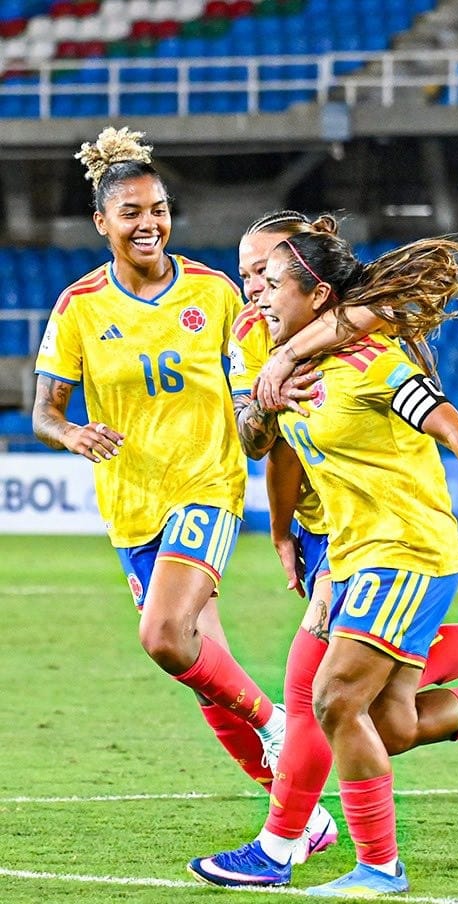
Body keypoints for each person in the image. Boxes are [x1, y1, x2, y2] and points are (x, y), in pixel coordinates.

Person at [188, 211, 458, 889]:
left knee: (331, 698)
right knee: (390, 723)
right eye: (252, 278)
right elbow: (264, 446)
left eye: (271, 281)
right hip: (351, 554)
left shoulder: (372, 362)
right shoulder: (281, 354)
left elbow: (456, 428)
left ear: (318, 296)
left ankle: (362, 864)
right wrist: (269, 403)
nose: (257, 295)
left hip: (404, 550)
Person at [31, 127, 290, 811]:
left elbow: (254, 384)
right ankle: (297, 815)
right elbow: (44, 414)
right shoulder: (79, 306)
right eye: (131, 213)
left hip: (205, 484)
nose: (149, 224)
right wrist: (72, 432)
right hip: (130, 502)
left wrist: (260, 421)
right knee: (197, 662)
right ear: (102, 223)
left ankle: (277, 727)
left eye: (159, 209)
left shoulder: (215, 292)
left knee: (164, 635)